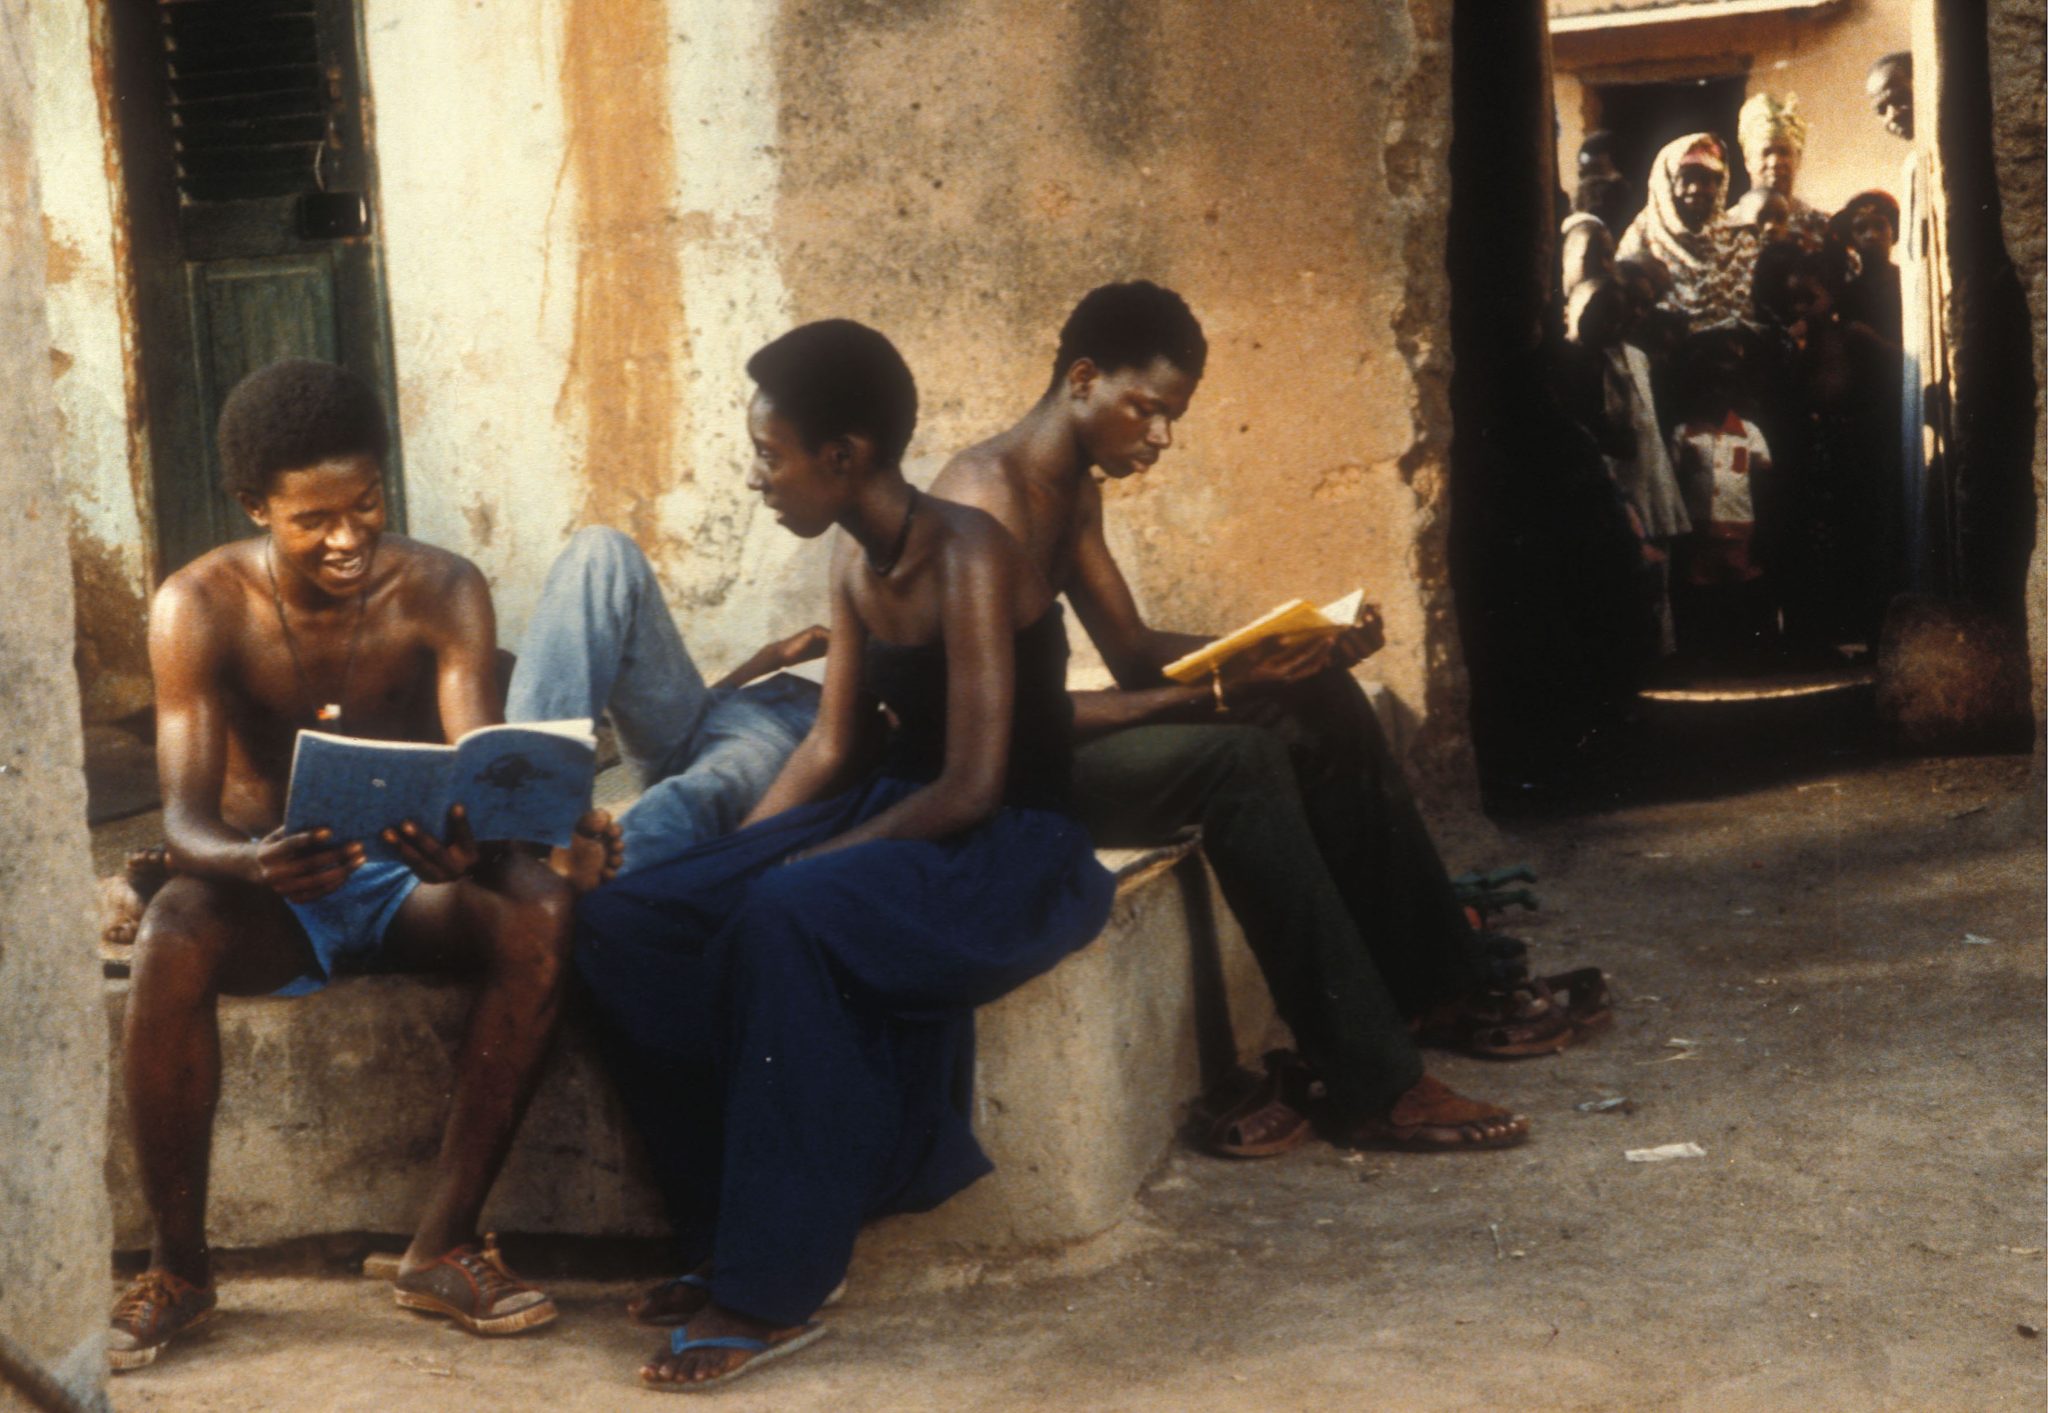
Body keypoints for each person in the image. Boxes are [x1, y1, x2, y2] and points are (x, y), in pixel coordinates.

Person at [931, 281, 1611, 1161]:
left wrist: (1294, 653)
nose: (1161, 437)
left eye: (1172, 417)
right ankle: (1374, 1082)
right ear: (1084, 379)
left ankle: (1439, 986)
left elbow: (1134, 652)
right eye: (1147, 410)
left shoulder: (1072, 490)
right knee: (1236, 760)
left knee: (1313, 696)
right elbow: (1010, 723)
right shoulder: (984, 497)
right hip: (1002, 777)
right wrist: (1211, 696)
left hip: (1045, 745)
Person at [573, 320, 1115, 1391]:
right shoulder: (856, 561)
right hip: (900, 817)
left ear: (845, 457)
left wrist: (795, 872)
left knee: (786, 912)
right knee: (625, 917)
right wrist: (740, 852)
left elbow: (971, 785)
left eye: (769, 454)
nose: (757, 476)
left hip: (1009, 848)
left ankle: (773, 1290)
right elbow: (826, 744)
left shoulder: (968, 551)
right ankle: (724, 1230)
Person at [109, 359, 617, 1371]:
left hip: (412, 886)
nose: (348, 538)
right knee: (172, 931)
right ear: (257, 508)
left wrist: (477, 842)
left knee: (540, 907)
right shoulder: (197, 606)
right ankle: (178, 1269)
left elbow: (477, 768)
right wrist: (253, 865)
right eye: (313, 520)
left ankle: (445, 1244)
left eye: (367, 504)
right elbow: (186, 817)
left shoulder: (441, 590)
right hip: (274, 896)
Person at [504, 527, 832, 877]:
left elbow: (838, 746)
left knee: (690, 799)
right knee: (602, 550)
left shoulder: (884, 650)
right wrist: (772, 656)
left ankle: (574, 887)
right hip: (716, 708)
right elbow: (721, 700)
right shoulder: (853, 609)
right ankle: (531, 811)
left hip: (794, 729)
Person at [1668, 327, 1778, 667]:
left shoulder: (1750, 433)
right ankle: (1705, 654)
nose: (1718, 392)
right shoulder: (1684, 433)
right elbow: (1673, 480)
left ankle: (1744, 653)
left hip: (1741, 527)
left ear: (1737, 389)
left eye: (1726, 385)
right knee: (1702, 588)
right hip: (1699, 529)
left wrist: (1764, 527)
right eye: (1710, 384)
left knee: (1741, 587)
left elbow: (1762, 483)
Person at [1617, 132, 1757, 330]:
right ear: (1668, 182)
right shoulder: (1642, 236)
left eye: (1706, 180)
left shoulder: (1738, 240)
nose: (1695, 189)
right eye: (1686, 179)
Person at [1729, 92, 1829, 247]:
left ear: (1798, 158)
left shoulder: (1822, 227)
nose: (1775, 162)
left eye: (1784, 152)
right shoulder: (1727, 227)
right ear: (1747, 160)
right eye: (1766, 152)